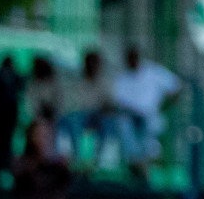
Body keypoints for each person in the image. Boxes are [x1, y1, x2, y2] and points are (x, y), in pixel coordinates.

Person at [113, 46, 182, 177]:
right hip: (129, 120)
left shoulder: (153, 72)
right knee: (126, 129)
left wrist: (165, 106)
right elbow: (118, 103)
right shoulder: (122, 79)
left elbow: (176, 86)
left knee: (148, 136)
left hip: (151, 118)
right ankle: (140, 167)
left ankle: (144, 167)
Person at [59, 51, 118, 166]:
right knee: (73, 120)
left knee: (109, 121)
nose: (93, 66)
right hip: (80, 117)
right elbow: (71, 106)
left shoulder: (105, 82)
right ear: (85, 64)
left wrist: (106, 108)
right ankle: (77, 158)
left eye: (95, 63)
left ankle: (99, 160)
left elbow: (110, 105)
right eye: (90, 63)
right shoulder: (76, 82)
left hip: (98, 117)